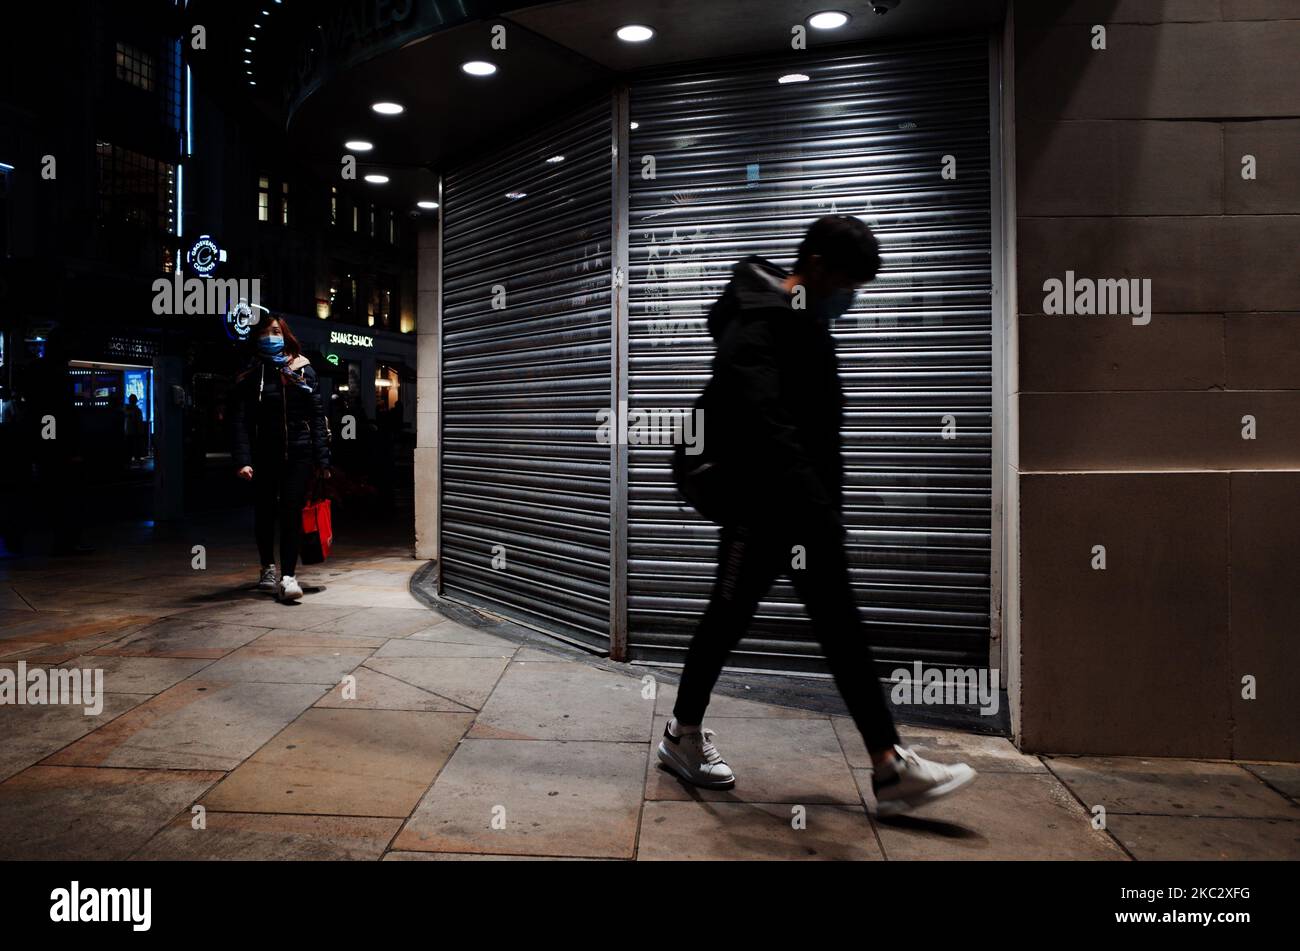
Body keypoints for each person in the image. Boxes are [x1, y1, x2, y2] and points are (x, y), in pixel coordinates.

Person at [657, 215, 977, 817]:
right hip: (760, 510)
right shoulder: (756, 325)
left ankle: (888, 764)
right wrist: (818, 506)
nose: (852, 298)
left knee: (840, 628)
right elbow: (770, 428)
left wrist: (822, 505)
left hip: (802, 512)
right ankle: (681, 737)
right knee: (727, 621)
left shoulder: (801, 318)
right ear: (822, 269)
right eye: (851, 283)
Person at [230, 314, 330, 602]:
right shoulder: (250, 373)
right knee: (264, 514)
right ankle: (267, 568)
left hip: (297, 455)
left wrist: (322, 461)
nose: (270, 336)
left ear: (285, 335)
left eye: (275, 331)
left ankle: (288, 576)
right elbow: (239, 420)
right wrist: (243, 459)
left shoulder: (302, 369)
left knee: (290, 513)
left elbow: (317, 416)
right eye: (264, 332)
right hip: (262, 457)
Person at [123, 393, 145, 466]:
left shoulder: (126, 409)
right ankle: (137, 462)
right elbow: (139, 422)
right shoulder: (137, 410)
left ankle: (128, 463)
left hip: (128, 432)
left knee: (128, 448)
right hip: (135, 432)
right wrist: (140, 432)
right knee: (136, 448)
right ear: (136, 401)